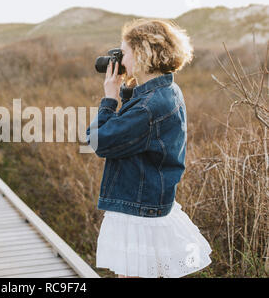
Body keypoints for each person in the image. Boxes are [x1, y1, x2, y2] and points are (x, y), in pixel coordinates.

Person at [86, 19, 212, 278]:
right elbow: (143, 131)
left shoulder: (149, 106)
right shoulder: (166, 90)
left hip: (139, 212)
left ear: (142, 54)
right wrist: (127, 90)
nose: (121, 59)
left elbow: (99, 141)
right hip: (150, 203)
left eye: (125, 52)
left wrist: (109, 99)